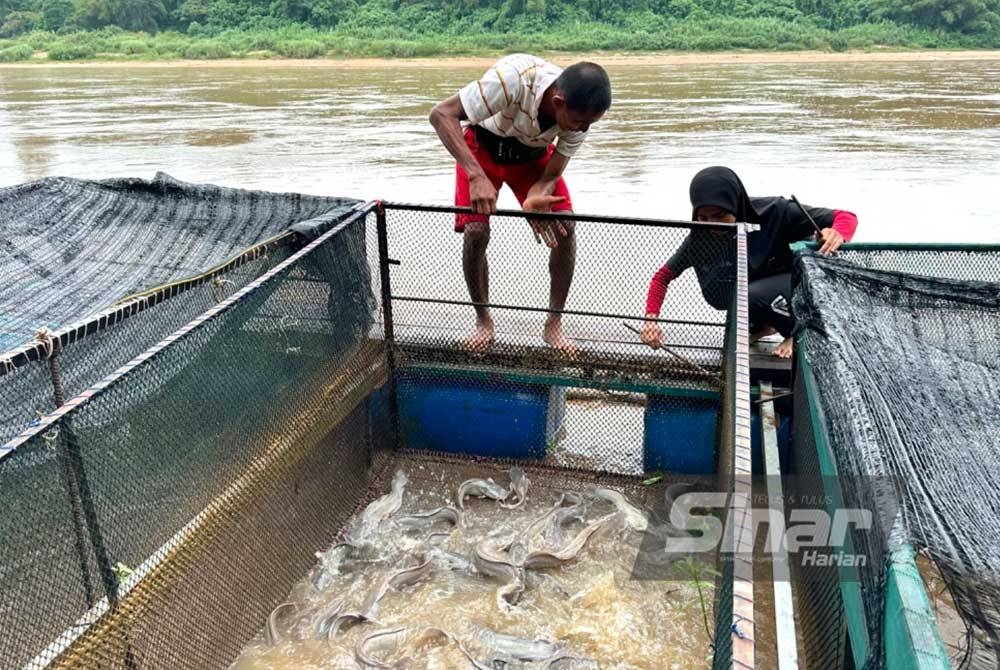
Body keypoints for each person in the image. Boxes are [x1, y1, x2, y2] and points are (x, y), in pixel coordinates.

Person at [429, 53, 612, 353]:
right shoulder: (510, 79)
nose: (582, 130)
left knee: (565, 225)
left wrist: (536, 197)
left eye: (590, 124)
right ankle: (483, 320)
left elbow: (552, 171)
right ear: (558, 102)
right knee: (476, 233)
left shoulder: (580, 119)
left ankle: (553, 324)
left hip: (532, 155)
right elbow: (441, 115)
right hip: (483, 147)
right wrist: (475, 176)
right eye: (579, 122)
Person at [641, 166, 858, 359]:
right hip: (755, 289)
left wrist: (837, 233)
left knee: (747, 296)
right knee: (732, 296)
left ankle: (798, 333)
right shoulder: (700, 238)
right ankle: (764, 326)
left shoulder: (776, 212)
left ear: (734, 206)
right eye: (703, 218)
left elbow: (846, 216)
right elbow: (662, 278)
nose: (711, 224)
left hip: (794, 282)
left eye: (719, 215)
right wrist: (651, 321)